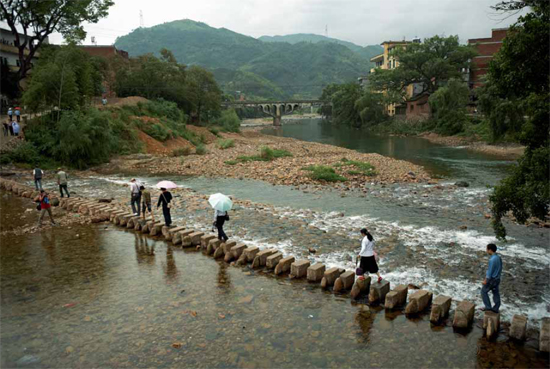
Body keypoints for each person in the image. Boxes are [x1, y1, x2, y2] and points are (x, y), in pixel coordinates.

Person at [481, 243, 502, 313]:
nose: (486, 251)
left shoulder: (492, 260)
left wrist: (486, 280)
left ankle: (488, 307)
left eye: (487, 249)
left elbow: (490, 271)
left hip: (492, 280)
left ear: (490, 250)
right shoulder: (498, 257)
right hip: (497, 279)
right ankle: (496, 308)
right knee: (496, 293)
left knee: (483, 291)